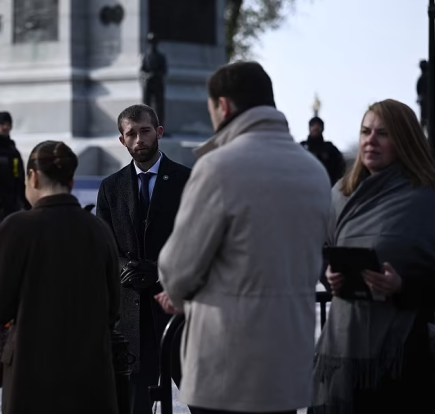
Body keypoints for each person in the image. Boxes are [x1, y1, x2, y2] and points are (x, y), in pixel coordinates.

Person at [156, 61, 332, 414]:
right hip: (288, 360)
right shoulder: (313, 170)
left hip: (228, 363)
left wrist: (177, 295)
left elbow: (178, 268)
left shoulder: (218, 167)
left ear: (224, 106)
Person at [309, 99, 435, 414]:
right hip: (341, 348)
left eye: (383, 133)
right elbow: (325, 252)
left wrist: (402, 287)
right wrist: (332, 277)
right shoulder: (340, 194)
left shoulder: (426, 197)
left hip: (403, 355)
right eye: (365, 131)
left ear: (404, 139)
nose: (370, 140)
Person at [0, 141, 120, 414]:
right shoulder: (99, 229)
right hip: (91, 378)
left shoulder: (15, 228)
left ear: (32, 177)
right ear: (71, 181)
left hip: (30, 376)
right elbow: (113, 307)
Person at [96, 104, 191, 414]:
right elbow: (105, 246)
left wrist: (160, 272)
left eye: (145, 131)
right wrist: (128, 270)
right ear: (122, 140)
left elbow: (196, 240)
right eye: (131, 134)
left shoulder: (187, 180)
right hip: (132, 315)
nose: (139, 139)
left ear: (159, 132)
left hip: (178, 311)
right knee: (137, 406)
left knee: (202, 399)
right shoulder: (111, 188)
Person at [300, 116, 346, 186]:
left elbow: (340, 166)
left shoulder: (330, 148)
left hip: (326, 186)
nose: (315, 128)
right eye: (313, 125)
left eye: (318, 126)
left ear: (322, 128)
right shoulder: (302, 147)